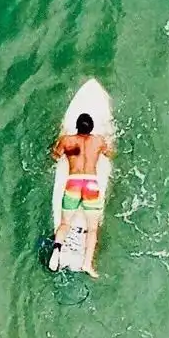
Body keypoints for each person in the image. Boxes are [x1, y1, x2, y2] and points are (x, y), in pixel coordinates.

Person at [48, 110, 115, 276]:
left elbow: (55, 156)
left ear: (76, 127)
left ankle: (57, 249)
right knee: (92, 229)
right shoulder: (98, 141)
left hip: (74, 183)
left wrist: (59, 139)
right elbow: (110, 154)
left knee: (64, 224)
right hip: (91, 185)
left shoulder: (67, 140)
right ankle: (87, 264)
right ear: (91, 128)